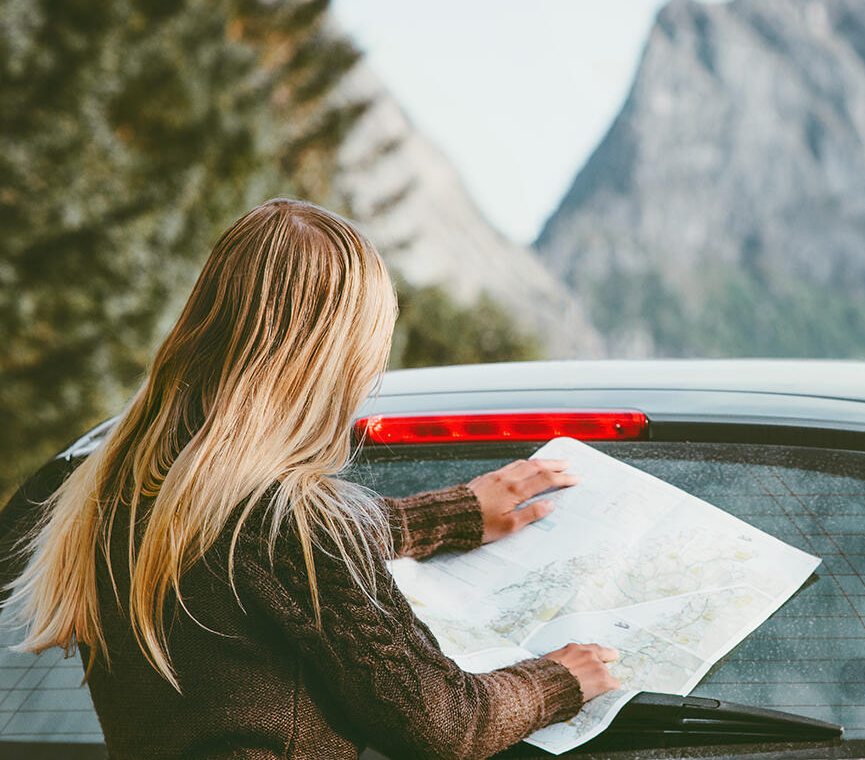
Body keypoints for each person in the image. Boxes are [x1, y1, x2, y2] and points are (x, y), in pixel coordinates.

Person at [3, 198, 621, 758]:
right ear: (336, 358)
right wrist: (559, 679)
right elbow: (447, 723)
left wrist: (454, 514)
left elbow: (261, 557)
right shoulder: (294, 527)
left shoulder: (109, 490)